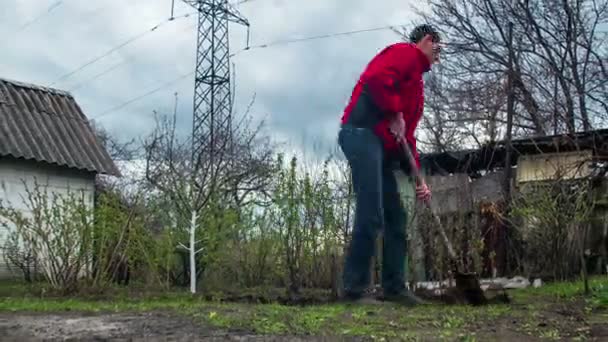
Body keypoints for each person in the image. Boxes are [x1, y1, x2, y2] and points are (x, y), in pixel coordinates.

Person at [338, 24, 442, 305]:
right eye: (438, 49)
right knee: (372, 211)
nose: (438, 56)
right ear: (428, 40)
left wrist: (418, 178)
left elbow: (406, 137)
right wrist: (393, 110)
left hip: (381, 149)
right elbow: (376, 78)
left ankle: (395, 288)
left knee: (396, 217)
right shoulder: (405, 53)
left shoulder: (417, 87)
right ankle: (353, 290)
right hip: (359, 133)